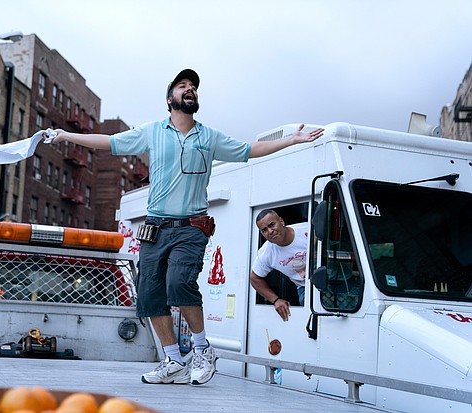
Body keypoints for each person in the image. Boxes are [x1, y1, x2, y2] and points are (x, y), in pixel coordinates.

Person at [46, 69, 324, 385]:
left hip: (191, 226)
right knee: (149, 294)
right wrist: (66, 135)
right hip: (155, 226)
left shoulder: (209, 137)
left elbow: (249, 151)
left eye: (193, 87)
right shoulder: (152, 132)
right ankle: (174, 361)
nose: (189, 89)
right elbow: (108, 142)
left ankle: (203, 349)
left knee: (179, 283)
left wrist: (292, 140)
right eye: (183, 86)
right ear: (170, 99)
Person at [250, 209, 310, 322]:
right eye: (264, 230)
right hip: (305, 288)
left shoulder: (307, 230)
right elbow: (254, 278)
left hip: (331, 277)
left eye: (272, 225)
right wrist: (275, 300)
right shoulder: (267, 252)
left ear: (281, 222)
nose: (270, 231)